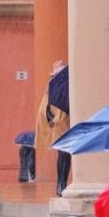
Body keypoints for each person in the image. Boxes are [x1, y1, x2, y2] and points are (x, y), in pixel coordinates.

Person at [35, 60, 71, 196]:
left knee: (65, 153)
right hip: (58, 121)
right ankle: (61, 184)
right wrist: (51, 118)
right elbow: (46, 105)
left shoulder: (64, 86)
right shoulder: (52, 86)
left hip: (64, 119)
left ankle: (62, 183)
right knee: (64, 153)